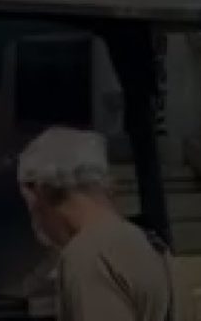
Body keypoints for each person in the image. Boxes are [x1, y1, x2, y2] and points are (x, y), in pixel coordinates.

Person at [17, 127, 173, 321]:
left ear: (42, 193)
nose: (37, 225)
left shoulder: (87, 256)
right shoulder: (154, 247)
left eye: (32, 209)